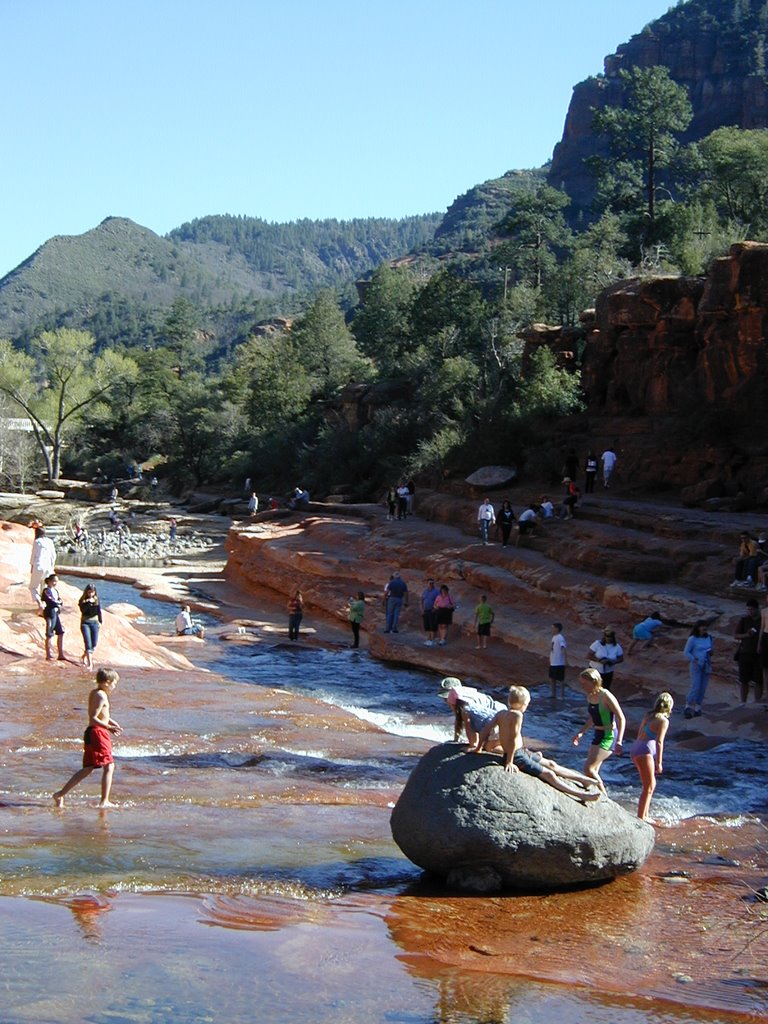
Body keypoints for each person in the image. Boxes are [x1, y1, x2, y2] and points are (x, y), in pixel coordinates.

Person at [474, 686, 600, 802]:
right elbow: (512, 738)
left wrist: (478, 748)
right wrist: (509, 761)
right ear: (524, 704)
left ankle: (583, 780)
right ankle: (580, 795)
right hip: (516, 756)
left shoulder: (501, 713)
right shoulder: (517, 715)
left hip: (522, 751)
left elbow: (485, 730)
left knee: (551, 764)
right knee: (549, 774)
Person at [53, 668, 122, 808]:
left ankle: (60, 794)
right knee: (109, 765)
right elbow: (93, 718)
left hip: (93, 733)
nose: (115, 686)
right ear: (107, 682)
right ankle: (104, 801)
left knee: (88, 768)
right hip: (97, 733)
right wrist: (108, 728)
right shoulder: (101, 695)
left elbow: (101, 715)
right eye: (114, 683)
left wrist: (112, 722)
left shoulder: (95, 693)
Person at [572, 668, 626, 793]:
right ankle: (597, 795)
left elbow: (621, 717)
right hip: (598, 734)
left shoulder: (606, 695)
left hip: (609, 736)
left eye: (584, 683)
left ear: (594, 681)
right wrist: (581, 732)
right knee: (594, 770)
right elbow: (592, 717)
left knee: (588, 769)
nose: (582, 686)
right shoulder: (590, 696)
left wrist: (619, 741)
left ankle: (604, 796)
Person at [629, 692, 673, 822]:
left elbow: (639, 732)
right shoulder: (663, 721)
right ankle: (642, 817)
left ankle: (645, 814)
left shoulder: (649, 715)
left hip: (636, 748)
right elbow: (659, 741)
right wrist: (659, 762)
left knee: (650, 784)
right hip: (645, 751)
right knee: (649, 786)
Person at [438, 677, 505, 752]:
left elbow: (469, 726)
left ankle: (511, 752)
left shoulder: (465, 708)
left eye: (446, 699)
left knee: (489, 747)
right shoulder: (470, 695)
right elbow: (463, 721)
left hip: (497, 721)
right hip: (502, 715)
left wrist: (473, 745)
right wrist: (456, 740)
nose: (447, 702)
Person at [683, 620, 713, 718]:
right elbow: (686, 652)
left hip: (706, 663)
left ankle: (698, 707)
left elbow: (710, 648)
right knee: (695, 686)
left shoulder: (708, 638)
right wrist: (694, 659)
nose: (704, 629)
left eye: (705, 627)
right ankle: (688, 705)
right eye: (702, 626)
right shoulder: (692, 639)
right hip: (696, 664)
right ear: (698, 628)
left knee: (703, 686)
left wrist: (710, 653)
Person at [734, 599, 762, 703]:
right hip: (745, 653)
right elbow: (736, 635)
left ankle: (757, 703)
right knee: (744, 680)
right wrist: (747, 634)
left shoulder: (763, 620)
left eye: (752, 609)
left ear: (757, 609)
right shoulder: (744, 620)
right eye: (748, 609)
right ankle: (743, 702)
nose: (750, 611)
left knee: (759, 681)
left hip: (759, 654)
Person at [29, 526, 57, 609]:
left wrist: (31, 566)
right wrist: (52, 566)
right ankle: (47, 604)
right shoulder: (50, 541)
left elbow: (33, 555)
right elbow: (54, 556)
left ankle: (40, 604)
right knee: (44, 587)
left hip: (38, 566)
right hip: (48, 567)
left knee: (33, 587)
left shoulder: (37, 541)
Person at [42, 573, 66, 662]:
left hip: (55, 612)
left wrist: (59, 603)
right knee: (49, 633)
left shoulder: (55, 590)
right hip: (50, 613)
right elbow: (51, 601)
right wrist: (58, 603)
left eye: (56, 581)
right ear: (49, 581)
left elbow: (59, 600)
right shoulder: (46, 590)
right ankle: (48, 655)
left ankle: (60, 654)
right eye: (54, 581)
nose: (55, 583)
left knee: (60, 632)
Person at [78, 583, 103, 670]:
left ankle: (84, 656)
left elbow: (99, 611)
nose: (91, 594)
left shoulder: (97, 600)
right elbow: (83, 611)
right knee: (88, 643)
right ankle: (90, 664)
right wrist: (88, 603)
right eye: (89, 592)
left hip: (94, 622)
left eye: (92, 592)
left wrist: (100, 621)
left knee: (94, 644)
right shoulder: (83, 601)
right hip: (85, 622)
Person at [549, 622, 568, 699]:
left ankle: (561, 695)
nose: (551, 630)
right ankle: (553, 694)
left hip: (559, 662)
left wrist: (565, 660)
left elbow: (563, 648)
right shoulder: (554, 637)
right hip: (553, 662)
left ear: (557, 629)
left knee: (561, 679)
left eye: (553, 628)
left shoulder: (560, 638)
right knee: (552, 678)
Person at [420, 577, 440, 647]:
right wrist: (422, 609)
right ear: (427, 584)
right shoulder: (425, 591)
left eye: (432, 583)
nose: (431, 584)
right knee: (427, 625)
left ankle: (432, 640)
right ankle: (428, 639)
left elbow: (439, 601)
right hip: (425, 610)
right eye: (430, 583)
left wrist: (434, 609)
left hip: (432, 610)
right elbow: (422, 600)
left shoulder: (436, 591)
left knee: (432, 625)